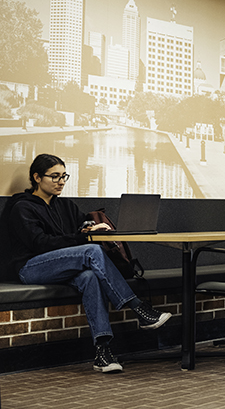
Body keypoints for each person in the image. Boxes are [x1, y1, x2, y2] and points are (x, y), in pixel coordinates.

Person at [1, 154, 172, 373]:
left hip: (60, 267)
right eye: (54, 176)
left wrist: (92, 229)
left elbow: (80, 228)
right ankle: (138, 308)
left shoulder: (65, 206)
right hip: (30, 268)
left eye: (64, 176)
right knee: (91, 251)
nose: (61, 181)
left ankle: (103, 352)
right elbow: (40, 244)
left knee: (90, 277)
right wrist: (82, 238)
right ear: (36, 177)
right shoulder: (22, 207)